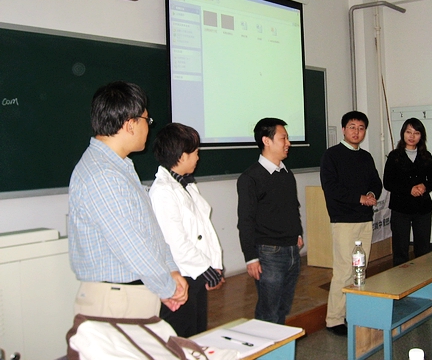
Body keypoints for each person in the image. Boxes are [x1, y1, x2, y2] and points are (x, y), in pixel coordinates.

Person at [68, 81, 188, 320]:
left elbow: (148, 231)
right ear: (130, 124)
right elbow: (132, 245)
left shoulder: (118, 167)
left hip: (128, 294)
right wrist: (167, 287)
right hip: (116, 300)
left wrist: (170, 270)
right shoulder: (103, 175)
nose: (148, 128)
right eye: (146, 120)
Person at [149, 123, 225, 337]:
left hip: (196, 272)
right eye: (195, 152)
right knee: (180, 336)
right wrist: (205, 269)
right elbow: (175, 241)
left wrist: (214, 265)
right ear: (182, 156)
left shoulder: (188, 186)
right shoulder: (162, 191)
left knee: (198, 333)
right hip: (180, 276)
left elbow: (204, 229)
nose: (198, 157)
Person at [320, 111, 382, 336]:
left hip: (364, 219)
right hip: (344, 221)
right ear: (344, 129)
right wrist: (359, 198)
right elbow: (331, 188)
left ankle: (352, 313)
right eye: (352, 127)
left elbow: (376, 182)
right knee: (344, 270)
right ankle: (334, 319)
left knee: (360, 269)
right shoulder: (331, 155)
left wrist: (371, 193)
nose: (357, 132)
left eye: (361, 128)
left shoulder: (366, 156)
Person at [236, 118, 303, 324]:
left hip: (292, 250)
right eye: (283, 138)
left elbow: (292, 207)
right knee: (269, 312)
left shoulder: (286, 173)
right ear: (266, 141)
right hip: (269, 253)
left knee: (283, 308)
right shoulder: (250, 178)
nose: (288, 143)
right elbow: (245, 220)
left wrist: (298, 233)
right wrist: (251, 257)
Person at [383, 118, 432, 266]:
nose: (412, 136)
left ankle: (423, 277)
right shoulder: (394, 156)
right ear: (403, 133)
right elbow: (388, 182)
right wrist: (409, 189)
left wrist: (424, 186)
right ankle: (400, 278)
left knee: (423, 248)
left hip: (423, 208)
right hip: (400, 208)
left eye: (416, 133)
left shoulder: (426, 156)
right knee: (400, 248)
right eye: (408, 132)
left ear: (421, 136)